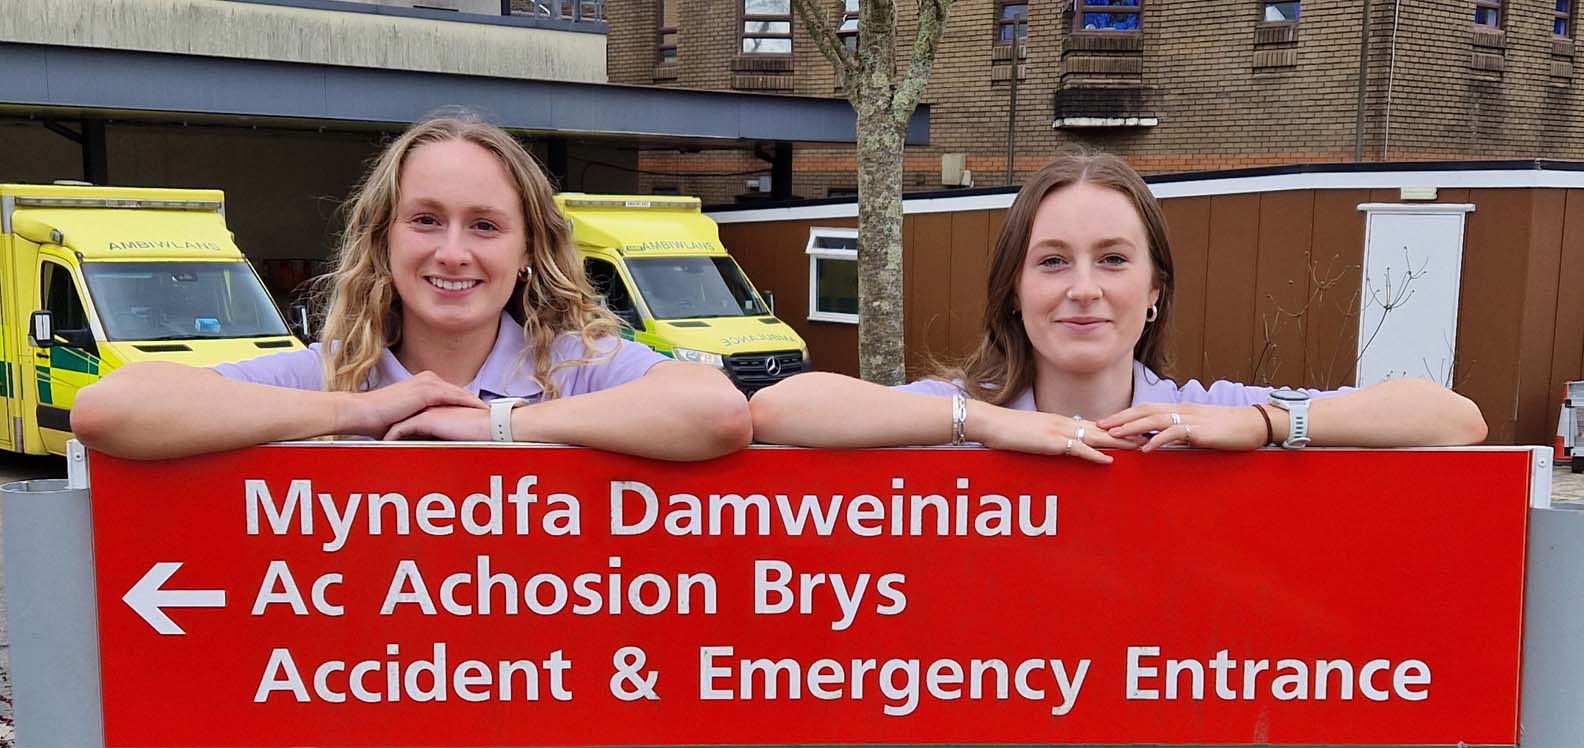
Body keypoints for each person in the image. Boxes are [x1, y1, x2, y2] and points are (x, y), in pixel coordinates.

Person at [73, 114, 751, 461]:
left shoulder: (578, 370)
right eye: (426, 220)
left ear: (527, 253)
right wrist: (357, 413)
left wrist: (495, 424)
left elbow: (717, 415)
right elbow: (111, 412)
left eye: (485, 226)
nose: (452, 253)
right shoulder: (328, 375)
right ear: (385, 241)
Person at [750, 151, 1487, 462]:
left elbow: (1455, 420)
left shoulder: (1210, 414)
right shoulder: (954, 416)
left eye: (1112, 259)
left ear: (1155, 288)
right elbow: (777, 412)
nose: (1083, 288)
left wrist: (1264, 424)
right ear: (1014, 287)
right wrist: (984, 422)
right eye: (1052, 262)